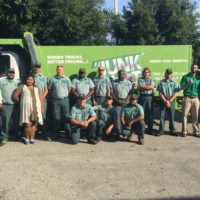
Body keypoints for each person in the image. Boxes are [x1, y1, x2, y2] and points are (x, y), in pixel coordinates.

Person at [12, 75, 43, 144]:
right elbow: (15, 96)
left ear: (33, 81)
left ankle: (32, 138)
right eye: (28, 79)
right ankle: (27, 138)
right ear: (26, 80)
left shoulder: (36, 88)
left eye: (31, 80)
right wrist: (22, 102)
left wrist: (42, 107)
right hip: (26, 108)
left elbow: (40, 98)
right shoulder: (22, 87)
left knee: (34, 124)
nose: (30, 81)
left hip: (36, 107)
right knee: (27, 124)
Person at [48, 65, 71, 139]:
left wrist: (65, 94)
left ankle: (68, 133)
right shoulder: (52, 79)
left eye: (61, 70)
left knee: (66, 117)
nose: (59, 71)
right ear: (56, 70)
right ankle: (56, 134)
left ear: (63, 71)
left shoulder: (66, 78)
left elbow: (69, 88)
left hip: (64, 100)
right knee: (56, 117)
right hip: (55, 101)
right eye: (58, 70)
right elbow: (50, 89)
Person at [0, 68, 20, 146]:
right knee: (5, 122)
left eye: (12, 73)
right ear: (7, 73)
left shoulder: (18, 82)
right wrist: (0, 102)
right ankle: (4, 138)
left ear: (14, 74)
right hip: (6, 105)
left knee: (17, 121)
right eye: (9, 72)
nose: (11, 74)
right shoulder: (1, 81)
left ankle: (17, 136)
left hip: (16, 105)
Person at [157, 69, 180, 136]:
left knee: (171, 116)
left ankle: (172, 130)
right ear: (165, 74)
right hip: (163, 100)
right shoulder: (161, 82)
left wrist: (169, 100)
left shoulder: (174, 82)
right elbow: (160, 92)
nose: (169, 75)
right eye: (167, 73)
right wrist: (165, 100)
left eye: (170, 74)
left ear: (172, 75)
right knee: (162, 116)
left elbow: (175, 93)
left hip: (171, 100)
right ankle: (161, 131)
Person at [180, 63, 200, 137]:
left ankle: (196, 132)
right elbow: (181, 88)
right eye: (193, 67)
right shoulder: (185, 77)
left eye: (196, 68)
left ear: (197, 69)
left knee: (196, 116)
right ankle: (184, 131)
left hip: (195, 98)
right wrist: (188, 84)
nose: (194, 69)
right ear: (191, 68)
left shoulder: (198, 78)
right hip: (187, 98)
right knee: (184, 115)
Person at [111, 69, 132, 135]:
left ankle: (126, 131)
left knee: (126, 117)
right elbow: (112, 93)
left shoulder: (128, 82)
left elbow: (130, 93)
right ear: (118, 75)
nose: (121, 75)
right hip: (117, 102)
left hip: (126, 102)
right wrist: (117, 100)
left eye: (123, 74)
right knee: (117, 116)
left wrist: (126, 100)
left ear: (125, 75)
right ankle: (118, 131)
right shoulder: (114, 82)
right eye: (120, 74)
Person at [32, 63, 50, 140]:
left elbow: (46, 90)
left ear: (40, 68)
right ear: (34, 68)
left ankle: (44, 134)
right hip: (33, 100)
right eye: (36, 67)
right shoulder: (31, 77)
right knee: (34, 117)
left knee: (43, 117)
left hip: (42, 99)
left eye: (38, 67)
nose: (37, 68)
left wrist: (41, 98)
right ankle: (33, 134)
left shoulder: (44, 77)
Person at [137, 67, 155, 134]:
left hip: (150, 97)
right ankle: (142, 128)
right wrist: (147, 87)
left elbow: (152, 87)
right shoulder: (140, 79)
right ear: (142, 73)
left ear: (149, 73)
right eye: (144, 72)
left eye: (147, 72)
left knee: (150, 114)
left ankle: (150, 129)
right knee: (142, 113)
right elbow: (139, 88)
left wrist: (143, 87)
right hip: (142, 97)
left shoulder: (151, 79)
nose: (146, 73)